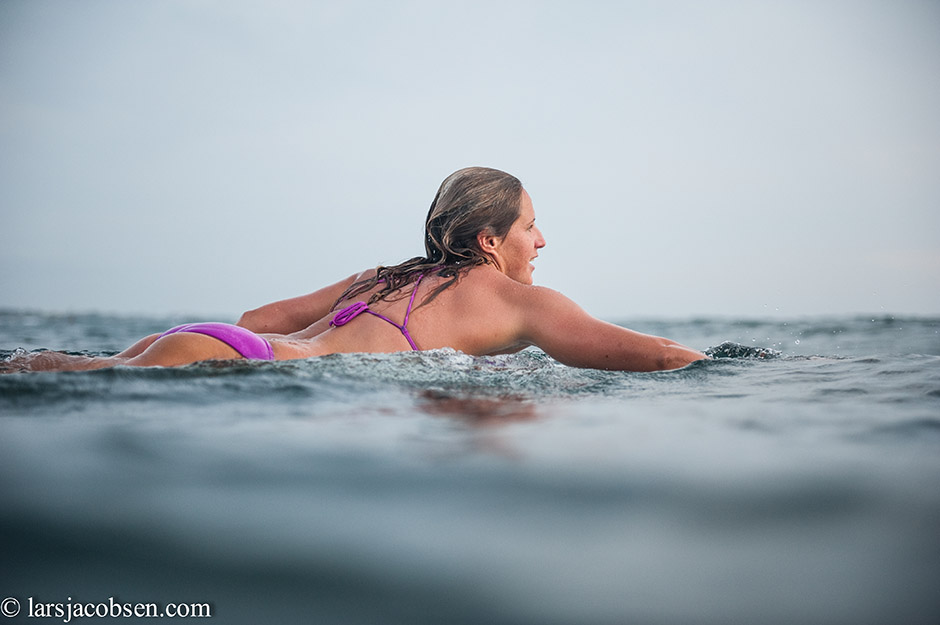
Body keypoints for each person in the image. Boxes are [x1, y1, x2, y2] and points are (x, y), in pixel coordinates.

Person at [5, 167, 707, 373]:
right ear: (491, 240)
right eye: (530, 226)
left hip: (214, 343)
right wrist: (726, 365)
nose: (542, 240)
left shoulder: (382, 277)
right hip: (227, 361)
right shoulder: (518, 301)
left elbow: (254, 321)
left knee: (52, 368)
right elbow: (655, 355)